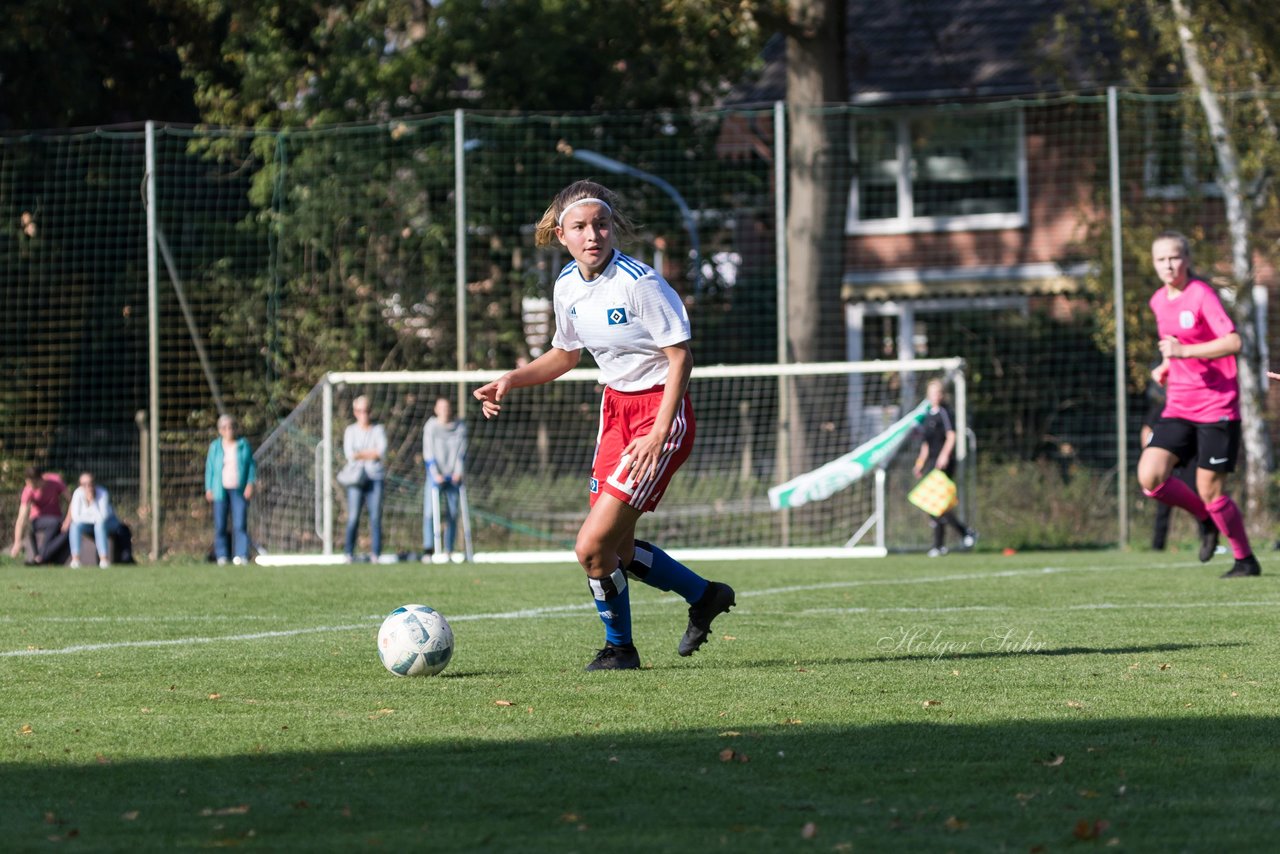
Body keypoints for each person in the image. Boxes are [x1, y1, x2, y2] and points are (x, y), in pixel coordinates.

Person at [473, 179, 735, 671]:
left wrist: (659, 432)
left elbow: (680, 358)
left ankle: (620, 650)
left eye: (601, 224)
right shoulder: (567, 286)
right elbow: (565, 354)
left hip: (661, 414)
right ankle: (704, 596)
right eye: (580, 227)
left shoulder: (640, 283)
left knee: (591, 547)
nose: (593, 234)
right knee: (616, 548)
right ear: (560, 235)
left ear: (612, 228)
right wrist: (512, 378)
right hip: (614, 413)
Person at [1137, 231, 1259, 578]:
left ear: (1187, 260)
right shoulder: (1158, 301)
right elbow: (1174, 347)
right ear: (1154, 264)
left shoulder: (1202, 295)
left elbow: (1233, 340)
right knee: (1150, 477)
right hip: (1178, 405)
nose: (1168, 265)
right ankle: (1204, 519)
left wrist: (1183, 352)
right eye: (1161, 259)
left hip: (1217, 406)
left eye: (1174, 257)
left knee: (1211, 490)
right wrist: (1166, 366)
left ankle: (1245, 560)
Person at [911, 378, 977, 557]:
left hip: (943, 463)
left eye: (937, 393)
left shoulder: (944, 412)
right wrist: (919, 464)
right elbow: (925, 444)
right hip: (931, 463)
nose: (935, 396)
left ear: (942, 394)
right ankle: (961, 535)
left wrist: (944, 455)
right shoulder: (927, 414)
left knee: (938, 504)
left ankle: (943, 543)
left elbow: (951, 436)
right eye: (931, 393)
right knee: (932, 505)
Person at [1140, 369, 1196, 551]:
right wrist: (1151, 454)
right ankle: (1158, 546)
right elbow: (1146, 430)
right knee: (1163, 504)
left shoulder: (1193, 408)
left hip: (1187, 462)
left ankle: (1209, 538)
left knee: (1199, 498)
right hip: (1166, 465)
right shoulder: (1161, 409)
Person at [204, 414, 257, 566]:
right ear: (220, 430)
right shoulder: (215, 447)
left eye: (231, 427)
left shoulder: (243, 444)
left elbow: (251, 466)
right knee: (220, 524)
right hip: (220, 490)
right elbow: (210, 469)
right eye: (225, 428)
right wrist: (208, 488)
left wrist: (250, 483)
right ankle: (222, 555)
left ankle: (241, 555)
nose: (229, 430)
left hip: (238, 489)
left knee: (240, 523)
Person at [422, 396, 467, 564]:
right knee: (430, 512)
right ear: (435, 409)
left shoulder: (460, 427)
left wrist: (458, 472)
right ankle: (428, 549)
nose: (444, 411)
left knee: (453, 513)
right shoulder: (431, 427)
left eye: (447, 407)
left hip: (453, 477)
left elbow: (462, 453)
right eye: (441, 407)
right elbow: (428, 452)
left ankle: (449, 549)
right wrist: (435, 473)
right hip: (436, 476)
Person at [343, 395, 387, 562]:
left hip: (375, 478)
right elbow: (350, 455)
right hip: (355, 479)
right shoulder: (350, 431)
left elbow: (381, 452)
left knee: (375, 517)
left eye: (367, 410)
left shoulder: (378, 430)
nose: (364, 414)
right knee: (353, 517)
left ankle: (376, 554)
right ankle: (348, 553)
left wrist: (361, 454)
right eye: (360, 411)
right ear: (355, 412)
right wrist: (370, 453)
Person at [62, 471, 122, 568]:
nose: (88, 487)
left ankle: (104, 560)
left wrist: (92, 502)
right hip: (90, 524)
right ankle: (75, 559)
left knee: (99, 525)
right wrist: (91, 517)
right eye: (84, 484)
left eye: (90, 483)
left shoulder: (103, 493)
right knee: (74, 526)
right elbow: (76, 517)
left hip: (108, 524)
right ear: (80, 485)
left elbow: (102, 517)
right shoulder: (77, 494)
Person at [9, 465, 67, 565]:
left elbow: (71, 499)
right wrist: (17, 542)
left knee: (67, 529)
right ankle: (41, 556)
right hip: (38, 520)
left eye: (32, 483)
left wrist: (68, 520)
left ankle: (41, 557)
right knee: (52, 523)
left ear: (40, 479)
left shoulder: (55, 481)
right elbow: (21, 518)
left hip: (56, 518)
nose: (29, 486)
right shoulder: (28, 490)